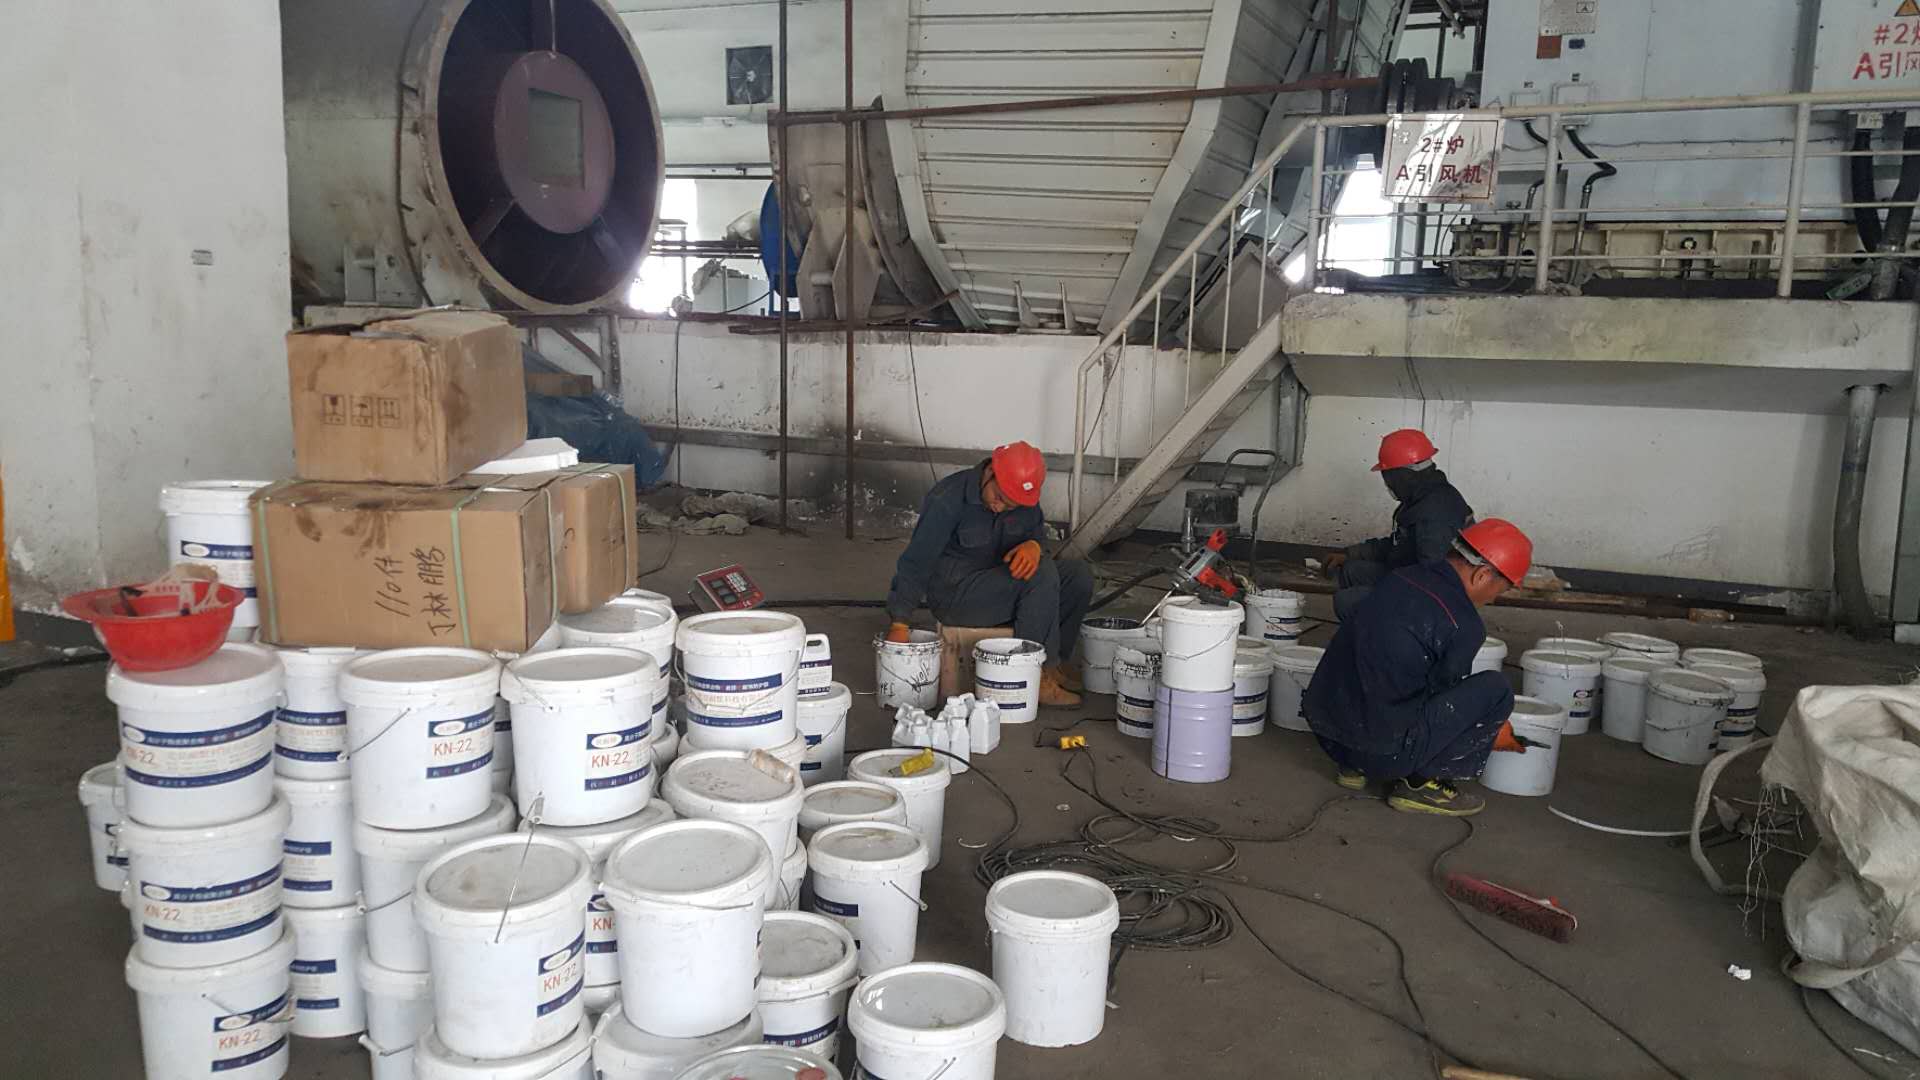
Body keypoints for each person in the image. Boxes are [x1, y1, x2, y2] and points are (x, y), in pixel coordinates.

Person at [1302, 519, 1534, 817]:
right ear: (1482, 575)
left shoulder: (1401, 577)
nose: (1492, 599)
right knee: (1496, 691)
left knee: (1379, 668)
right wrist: (1485, 729)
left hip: (1327, 733)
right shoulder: (1463, 623)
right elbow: (1443, 697)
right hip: (1379, 754)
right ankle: (1420, 784)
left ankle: (1352, 768)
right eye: (1498, 591)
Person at [883, 441, 1092, 706]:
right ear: (991, 471)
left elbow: (1037, 537)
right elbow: (917, 561)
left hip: (999, 585)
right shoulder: (947, 499)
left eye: (1010, 506)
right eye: (999, 497)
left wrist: (1034, 545)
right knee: (1040, 574)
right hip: (956, 597)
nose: (1000, 507)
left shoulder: (1021, 499)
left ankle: (1054, 664)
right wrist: (899, 623)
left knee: (1077, 576)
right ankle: (1035, 676)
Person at [1327, 429, 1474, 621]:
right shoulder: (1422, 496)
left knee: (1347, 601)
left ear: (1404, 475)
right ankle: (1366, 629)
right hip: (1411, 571)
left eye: (1388, 476)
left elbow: (1434, 577)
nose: (1388, 483)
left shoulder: (1434, 513)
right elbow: (1398, 544)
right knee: (1351, 570)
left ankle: (1391, 633)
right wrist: (1350, 553)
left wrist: (1390, 590)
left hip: (1434, 595)